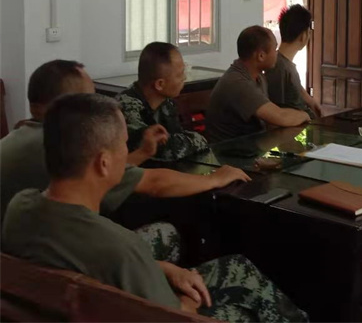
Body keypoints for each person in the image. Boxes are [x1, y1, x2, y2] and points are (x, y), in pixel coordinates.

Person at [2, 94, 307, 322]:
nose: (128, 153)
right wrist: (186, 297)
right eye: (124, 145)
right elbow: (175, 315)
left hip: (75, 305)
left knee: (169, 239)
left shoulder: (20, 207)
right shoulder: (121, 250)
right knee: (243, 274)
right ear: (104, 163)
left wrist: (161, 269)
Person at [0, 60, 250, 221]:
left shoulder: (17, 138)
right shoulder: (62, 143)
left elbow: (102, 170)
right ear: (72, 106)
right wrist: (215, 178)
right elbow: (154, 183)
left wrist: (141, 153)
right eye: (91, 98)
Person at [206, 26, 310, 143]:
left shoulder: (259, 77)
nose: (277, 53)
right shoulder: (237, 82)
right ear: (261, 56)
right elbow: (280, 117)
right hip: (230, 150)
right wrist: (305, 115)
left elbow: (270, 121)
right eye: (275, 49)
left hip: (252, 146)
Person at [118, 42, 209, 162]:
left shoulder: (166, 102)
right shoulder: (127, 107)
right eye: (180, 75)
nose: (184, 78)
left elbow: (177, 137)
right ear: (160, 84)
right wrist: (196, 139)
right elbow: (164, 150)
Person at [265, 5, 322, 120]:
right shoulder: (279, 67)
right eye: (309, 33)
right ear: (304, 36)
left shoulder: (285, 65)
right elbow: (276, 112)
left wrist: (310, 100)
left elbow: (293, 86)